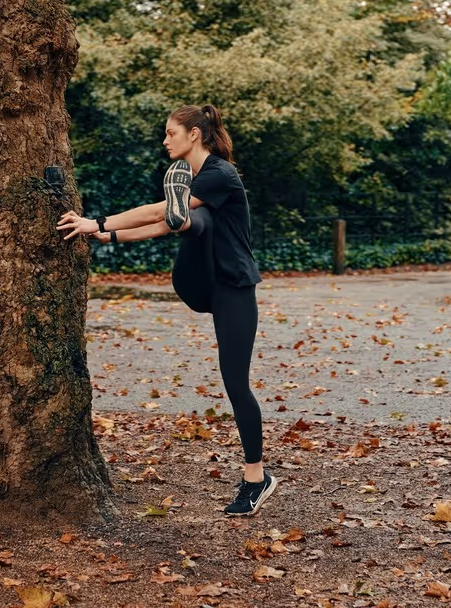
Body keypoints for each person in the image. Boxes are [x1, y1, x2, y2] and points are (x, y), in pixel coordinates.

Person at [56, 104, 277, 516]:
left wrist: (97, 222)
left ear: (195, 134)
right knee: (192, 221)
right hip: (198, 281)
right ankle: (187, 220)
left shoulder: (220, 174)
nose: (164, 140)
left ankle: (256, 478)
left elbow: (161, 215)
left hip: (233, 287)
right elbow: (162, 221)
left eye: (170, 133)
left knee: (236, 383)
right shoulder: (197, 179)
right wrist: (113, 235)